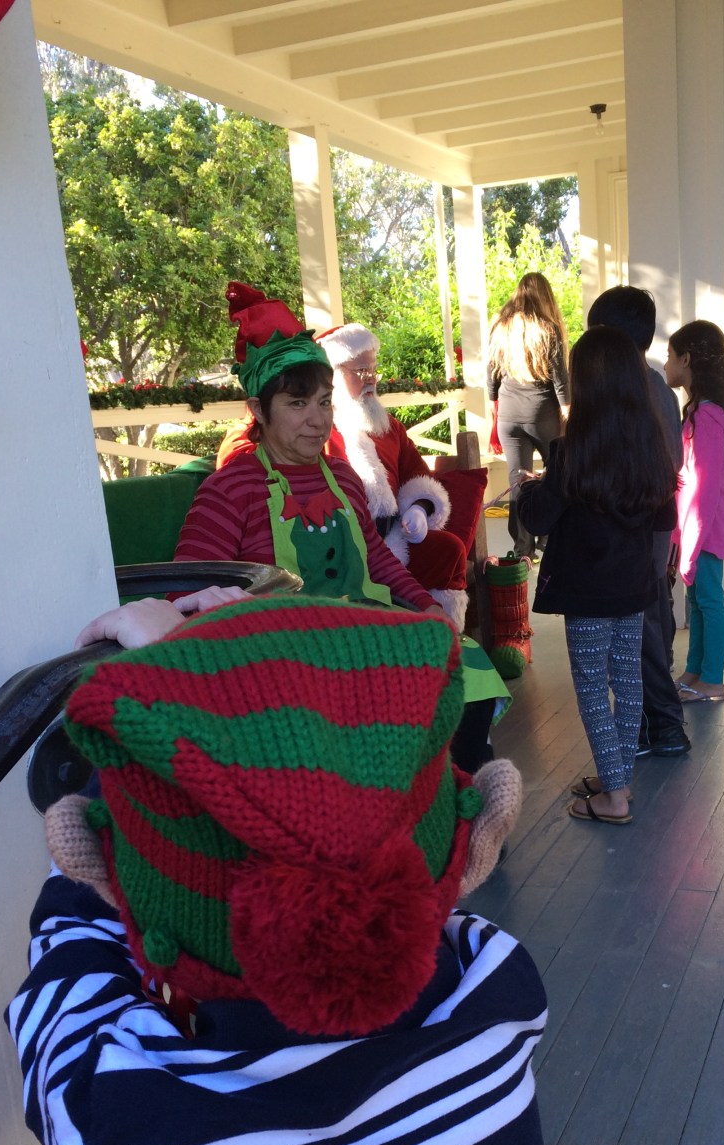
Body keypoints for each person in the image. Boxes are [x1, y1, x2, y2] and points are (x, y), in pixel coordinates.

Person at [9, 592, 580, 1145]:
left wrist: (166, 702)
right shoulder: (494, 1008)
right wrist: (232, 662)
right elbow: (412, 857)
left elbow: (72, 936)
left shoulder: (114, 1120)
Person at [177, 283, 506, 773]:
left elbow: (375, 558)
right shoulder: (231, 489)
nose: (316, 420)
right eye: (296, 404)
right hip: (282, 653)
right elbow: (187, 590)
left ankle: (456, 798)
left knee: (467, 662)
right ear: (258, 411)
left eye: (325, 401)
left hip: (361, 624)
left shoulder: (343, 478)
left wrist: (423, 605)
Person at [517, 326, 675, 825]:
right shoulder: (650, 451)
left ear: (583, 387)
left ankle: (614, 797)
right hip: (633, 588)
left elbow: (538, 519)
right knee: (627, 682)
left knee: (592, 688)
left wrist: (527, 490)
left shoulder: (571, 453)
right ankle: (618, 778)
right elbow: (665, 521)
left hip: (586, 594)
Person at [587, 285, 689, 757]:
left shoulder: (623, 387)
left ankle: (664, 724)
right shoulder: (661, 389)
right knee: (652, 616)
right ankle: (654, 722)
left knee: (641, 624)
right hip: (658, 520)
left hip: (635, 523)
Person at [320, 321, 470, 632]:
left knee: (449, 549)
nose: (371, 379)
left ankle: (444, 637)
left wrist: (419, 508)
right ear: (334, 374)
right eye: (359, 371)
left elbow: (419, 476)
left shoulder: (389, 427)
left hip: (395, 538)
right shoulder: (317, 431)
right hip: (342, 546)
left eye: (373, 369)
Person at [664, 320, 724, 704]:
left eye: (670, 357)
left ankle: (712, 680)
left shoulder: (707, 418)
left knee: (709, 600)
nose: (666, 365)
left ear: (687, 359)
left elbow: (705, 487)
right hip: (698, 528)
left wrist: (692, 543)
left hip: (706, 529)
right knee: (697, 600)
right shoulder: (700, 411)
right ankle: (695, 672)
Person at [487, 273, 570, 559]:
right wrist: (567, 409)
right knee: (554, 472)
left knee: (517, 480)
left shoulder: (500, 326)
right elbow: (560, 378)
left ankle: (522, 547)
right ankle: (549, 537)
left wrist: (493, 404)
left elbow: (491, 374)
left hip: (509, 415)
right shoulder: (548, 328)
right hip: (542, 412)